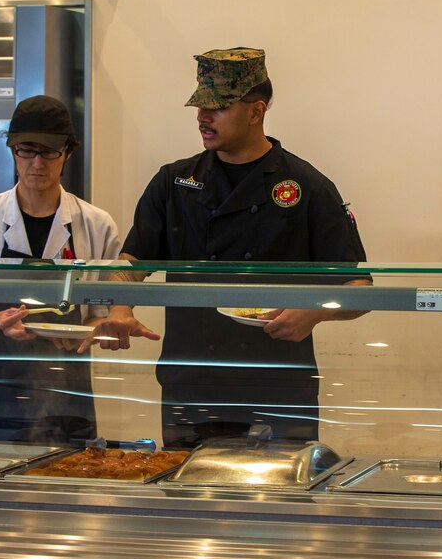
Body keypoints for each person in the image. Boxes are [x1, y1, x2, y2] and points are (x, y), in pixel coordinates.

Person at [85, 47, 369, 448]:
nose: (203, 117)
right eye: (200, 105)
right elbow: (131, 261)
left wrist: (314, 313)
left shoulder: (308, 187)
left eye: (217, 107)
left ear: (256, 111)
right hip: (193, 384)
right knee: (191, 502)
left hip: (279, 388)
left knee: (280, 505)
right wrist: (119, 306)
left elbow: (359, 289)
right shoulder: (173, 183)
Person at [0, 95, 122, 443]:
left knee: (67, 483)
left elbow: (100, 314)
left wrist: (85, 333)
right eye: (27, 150)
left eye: (49, 151)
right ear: (13, 151)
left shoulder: (97, 225)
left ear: (67, 153)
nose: (37, 162)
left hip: (68, 387)